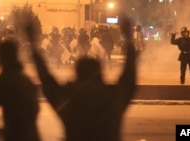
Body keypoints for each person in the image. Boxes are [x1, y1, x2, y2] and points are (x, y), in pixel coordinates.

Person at [26, 12, 137, 141]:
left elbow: (46, 79)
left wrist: (32, 43)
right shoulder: (112, 98)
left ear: (77, 74)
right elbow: (129, 77)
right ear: (100, 74)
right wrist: (129, 39)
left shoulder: (68, 99)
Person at [0, 40, 41, 141]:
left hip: (15, 135)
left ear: (3, 57)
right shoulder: (25, 79)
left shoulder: (5, 79)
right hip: (32, 135)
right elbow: (36, 108)